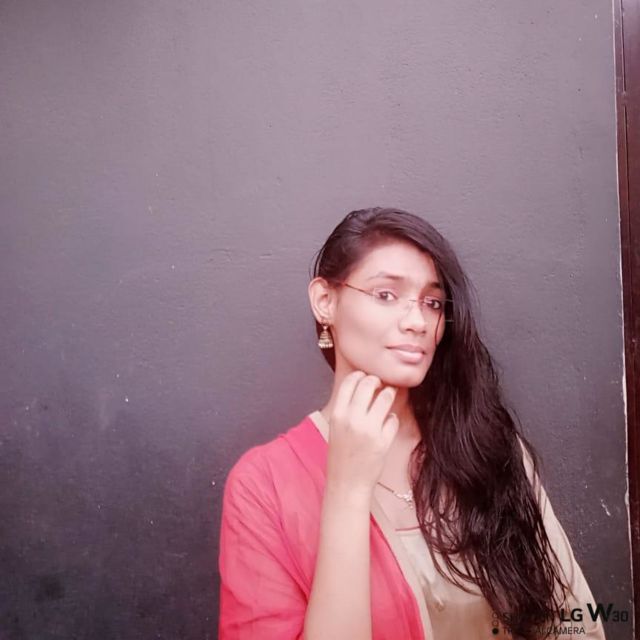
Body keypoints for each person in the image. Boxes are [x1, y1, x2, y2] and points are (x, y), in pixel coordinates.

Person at [217, 207, 606, 640]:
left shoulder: (486, 448)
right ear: (325, 301)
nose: (417, 322)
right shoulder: (263, 486)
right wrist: (347, 489)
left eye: (432, 302)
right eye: (385, 295)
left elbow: (572, 622)